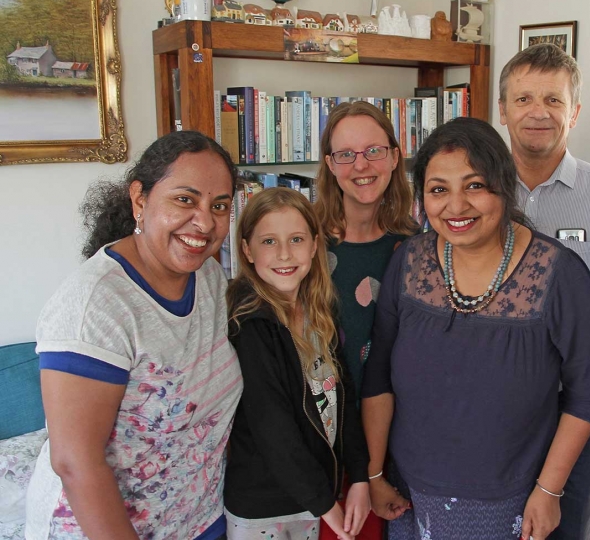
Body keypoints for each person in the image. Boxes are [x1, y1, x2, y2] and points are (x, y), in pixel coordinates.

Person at [361, 117, 590, 540]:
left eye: (475, 186)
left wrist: (549, 489)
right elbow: (379, 373)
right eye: (438, 190)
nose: (456, 207)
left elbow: (587, 394)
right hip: (409, 494)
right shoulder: (409, 262)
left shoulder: (558, 274)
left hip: (512, 498)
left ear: (503, 185)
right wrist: (376, 471)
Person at [26, 131, 243, 539]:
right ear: (140, 199)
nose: (205, 221)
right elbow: (75, 463)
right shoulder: (96, 306)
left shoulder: (209, 277)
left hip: (198, 519)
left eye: (219, 206)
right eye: (185, 199)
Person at [498, 43, 590, 540]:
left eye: (553, 100)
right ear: (503, 110)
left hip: (576, 404)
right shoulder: (474, 190)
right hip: (494, 399)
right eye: (524, 98)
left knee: (568, 528)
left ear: (575, 111)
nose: (538, 112)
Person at [223, 188, 371, 540]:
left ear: (314, 244)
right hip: (265, 506)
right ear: (247, 249)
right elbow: (274, 429)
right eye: (269, 241)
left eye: (296, 239)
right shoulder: (251, 324)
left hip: (315, 495)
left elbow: (344, 399)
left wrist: (361, 477)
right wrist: (325, 505)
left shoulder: (319, 311)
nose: (285, 253)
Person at [314, 101, 418, 539]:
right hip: (321, 440)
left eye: (374, 151)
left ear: (395, 157)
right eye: (346, 154)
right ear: (329, 165)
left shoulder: (415, 248)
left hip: (397, 439)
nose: (362, 165)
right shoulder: (301, 245)